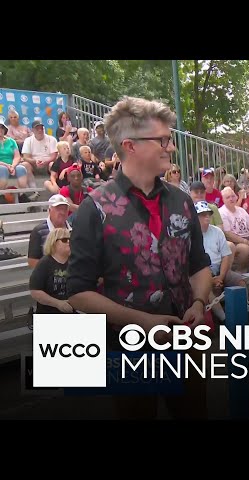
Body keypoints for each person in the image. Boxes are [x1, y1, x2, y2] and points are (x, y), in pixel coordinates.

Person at [67, 96, 212, 420]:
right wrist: (144, 322)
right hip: (126, 347)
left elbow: (199, 265)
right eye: (162, 140)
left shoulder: (183, 201)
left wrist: (199, 303)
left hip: (187, 342)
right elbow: (78, 290)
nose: (170, 147)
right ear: (130, 146)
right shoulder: (95, 208)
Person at [29, 228, 73, 314]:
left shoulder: (74, 262)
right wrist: (58, 303)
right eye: (64, 240)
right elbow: (35, 291)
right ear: (53, 242)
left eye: (70, 239)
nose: (68, 242)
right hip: (49, 313)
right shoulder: (44, 263)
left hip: (72, 310)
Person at [0, 121, 27, 193]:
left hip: (12, 164)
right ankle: (1, 194)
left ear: (4, 130)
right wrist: (7, 166)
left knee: (21, 168)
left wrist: (12, 166)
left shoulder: (11, 141)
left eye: (1, 128)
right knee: (3, 169)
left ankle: (22, 194)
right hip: (2, 165)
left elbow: (17, 156)